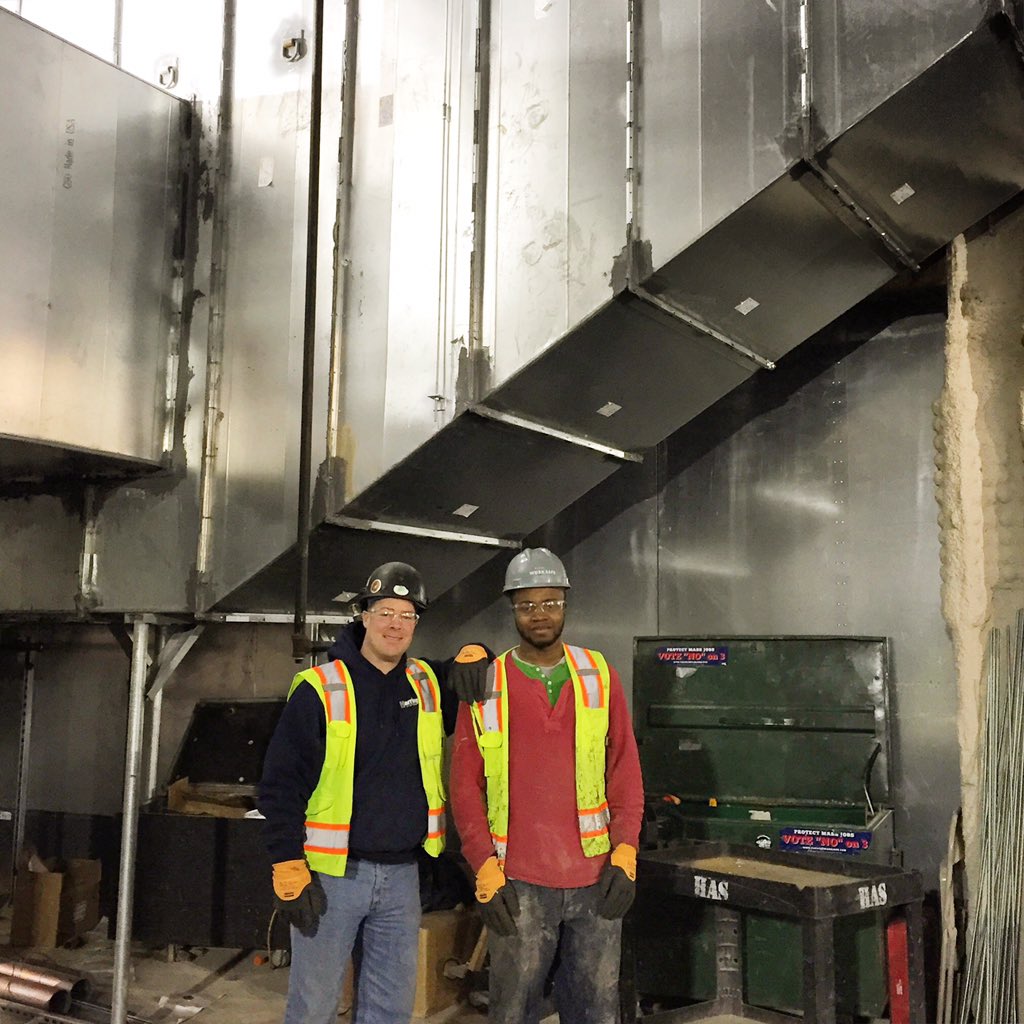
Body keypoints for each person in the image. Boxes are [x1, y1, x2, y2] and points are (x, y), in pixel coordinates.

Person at [258, 561, 488, 1024]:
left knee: (389, 1010)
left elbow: (469, 668)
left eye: (407, 615)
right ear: (363, 615)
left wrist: (477, 649)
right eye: (385, 611)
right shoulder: (322, 688)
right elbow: (281, 785)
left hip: (403, 878)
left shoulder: (423, 682)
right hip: (332, 877)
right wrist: (287, 862)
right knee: (313, 1007)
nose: (395, 624)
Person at [450, 548, 645, 1024]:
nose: (540, 615)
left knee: (597, 1010)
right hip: (517, 881)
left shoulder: (599, 675)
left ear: (565, 605)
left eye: (550, 603)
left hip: (596, 878)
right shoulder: (485, 683)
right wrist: (484, 870)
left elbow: (624, 770)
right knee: (513, 1009)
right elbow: (463, 786)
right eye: (528, 605)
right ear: (513, 610)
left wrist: (625, 852)